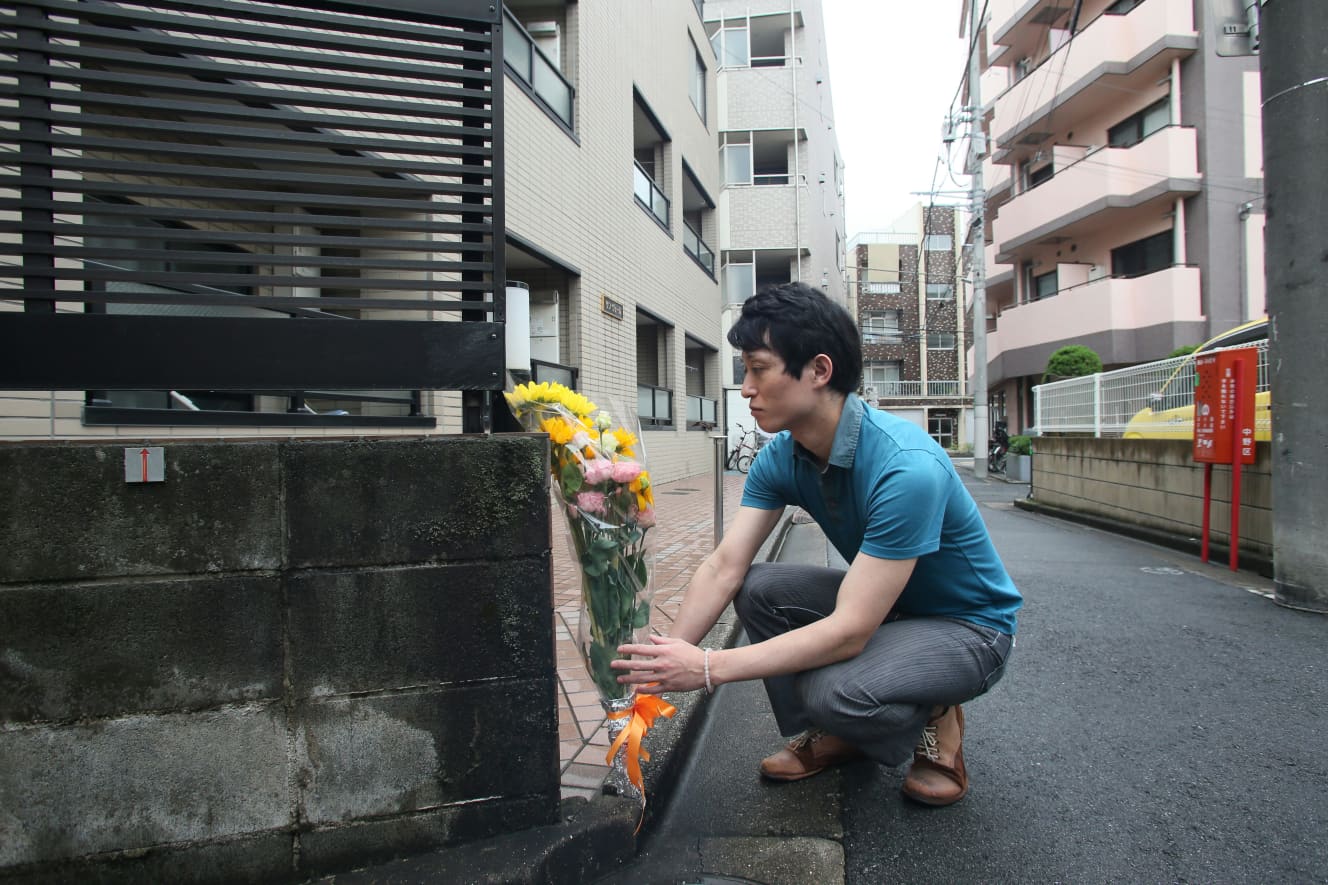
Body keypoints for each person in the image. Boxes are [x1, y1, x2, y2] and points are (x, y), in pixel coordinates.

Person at [612, 282, 1021, 806]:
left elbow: (850, 632)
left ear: (819, 371)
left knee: (837, 690)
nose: (745, 389)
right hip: (891, 610)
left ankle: (936, 713)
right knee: (759, 587)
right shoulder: (781, 456)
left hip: (968, 628)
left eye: (758, 368)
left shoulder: (906, 468)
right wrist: (665, 663)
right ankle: (839, 732)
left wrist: (708, 668)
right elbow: (724, 568)